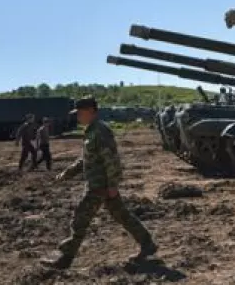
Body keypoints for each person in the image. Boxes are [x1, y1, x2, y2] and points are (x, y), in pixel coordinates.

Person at [41, 96, 157, 269]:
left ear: (90, 111)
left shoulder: (100, 131)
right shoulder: (91, 131)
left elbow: (111, 159)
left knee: (81, 217)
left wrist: (112, 185)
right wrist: (68, 172)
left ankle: (65, 258)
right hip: (100, 184)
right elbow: (86, 158)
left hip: (99, 186)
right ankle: (147, 244)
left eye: (80, 113)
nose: (77, 116)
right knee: (121, 215)